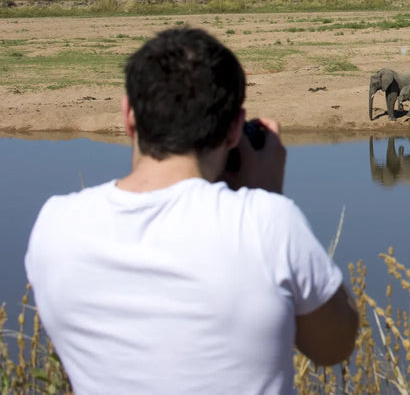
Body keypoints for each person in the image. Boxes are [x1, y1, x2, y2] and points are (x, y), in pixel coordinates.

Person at [25, 27, 359, 394]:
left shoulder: (56, 226)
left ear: (128, 115)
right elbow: (334, 347)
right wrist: (264, 196)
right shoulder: (266, 223)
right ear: (235, 129)